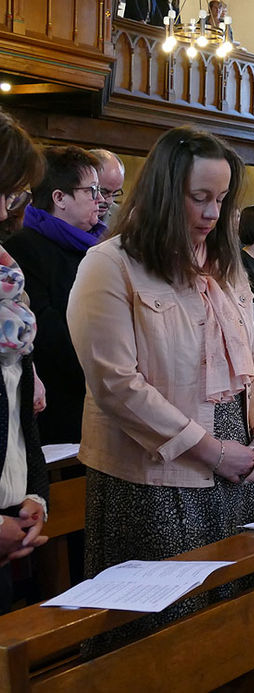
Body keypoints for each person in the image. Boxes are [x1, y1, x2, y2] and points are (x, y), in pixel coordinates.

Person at [67, 126, 254, 651]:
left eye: (222, 199)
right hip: (155, 474)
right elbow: (116, 384)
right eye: (200, 198)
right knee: (163, 639)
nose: (213, 213)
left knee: (232, 625)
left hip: (235, 466)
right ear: (166, 192)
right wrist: (212, 452)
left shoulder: (224, 266)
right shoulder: (110, 264)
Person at [6, 145, 106, 444]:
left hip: (99, 393)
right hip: (61, 403)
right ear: (59, 198)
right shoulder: (24, 247)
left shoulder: (95, 247)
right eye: (92, 191)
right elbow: (48, 333)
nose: (101, 200)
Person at [0, 109, 49, 612]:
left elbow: (18, 411)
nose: (1, 210)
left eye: (10, 194)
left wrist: (34, 493)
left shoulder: (8, 287)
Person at [88, 149, 125, 226]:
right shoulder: (61, 214)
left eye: (115, 193)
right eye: (103, 192)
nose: (110, 201)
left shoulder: (121, 218)